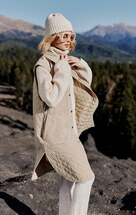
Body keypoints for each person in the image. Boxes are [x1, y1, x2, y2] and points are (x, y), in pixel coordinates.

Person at [31, 13, 99, 215]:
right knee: (86, 178)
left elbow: (81, 85)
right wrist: (61, 70)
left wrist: (80, 65)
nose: (69, 40)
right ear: (51, 37)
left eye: (72, 35)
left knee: (69, 179)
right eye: (64, 35)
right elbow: (50, 98)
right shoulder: (43, 65)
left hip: (69, 131)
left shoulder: (62, 60)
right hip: (56, 135)